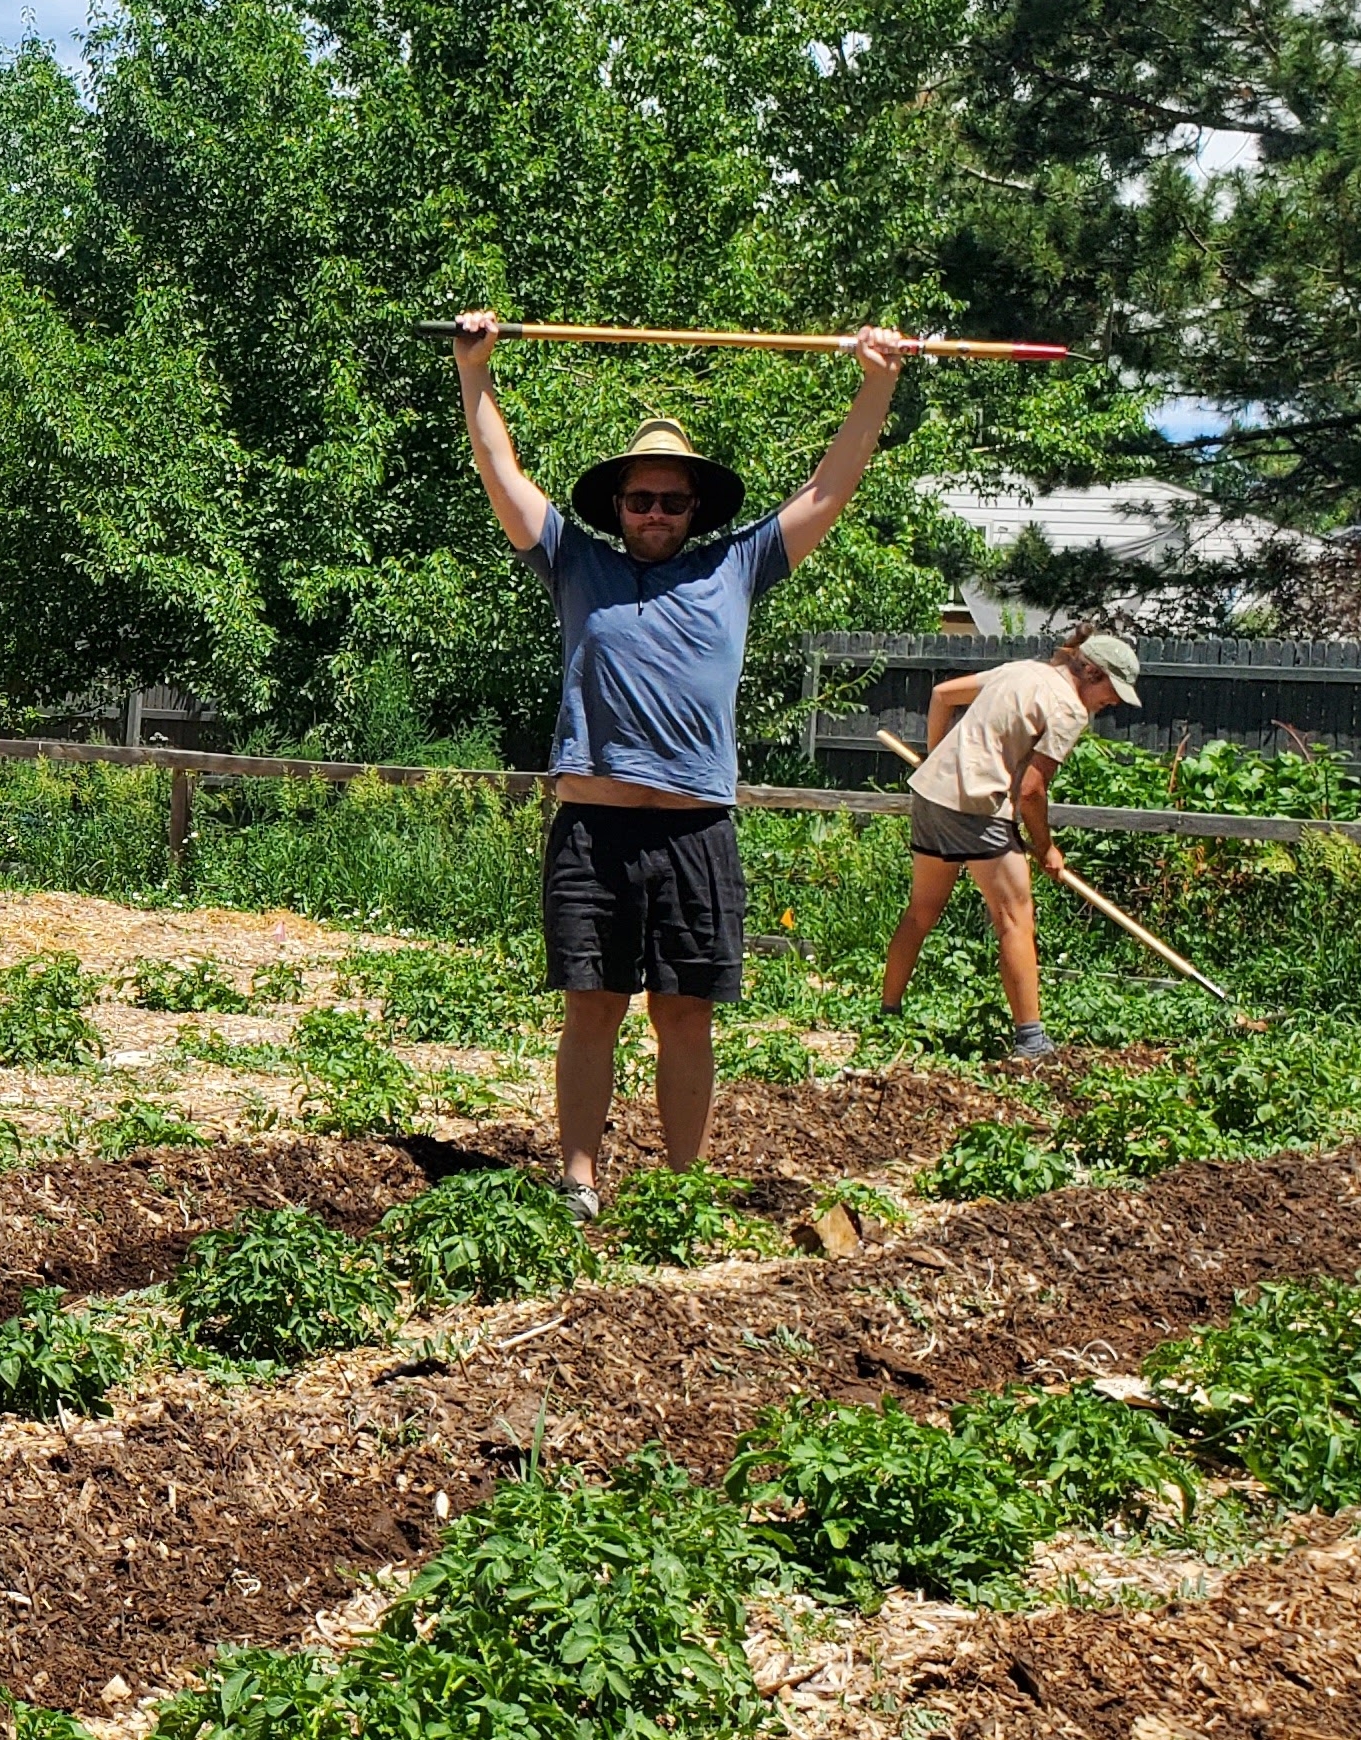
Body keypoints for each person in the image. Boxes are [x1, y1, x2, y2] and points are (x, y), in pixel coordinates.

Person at [452, 311, 912, 1216]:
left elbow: (832, 486)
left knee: (684, 1013)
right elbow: (502, 474)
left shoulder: (737, 567)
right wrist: (476, 371)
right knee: (592, 1005)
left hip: (697, 828)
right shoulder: (572, 563)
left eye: (670, 501)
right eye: (640, 500)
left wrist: (878, 381)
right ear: (617, 509)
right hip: (595, 831)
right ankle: (579, 1181)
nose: (654, 513)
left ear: (694, 509)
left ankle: (679, 1190)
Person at [875, 627, 1144, 1059]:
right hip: (976, 807)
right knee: (1016, 918)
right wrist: (1045, 849)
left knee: (922, 908)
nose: (1113, 701)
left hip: (930, 794)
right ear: (1091, 672)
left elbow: (943, 694)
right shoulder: (1069, 709)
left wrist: (936, 756)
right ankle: (1032, 1041)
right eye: (1112, 690)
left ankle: (887, 1013)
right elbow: (1032, 792)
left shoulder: (1021, 671)